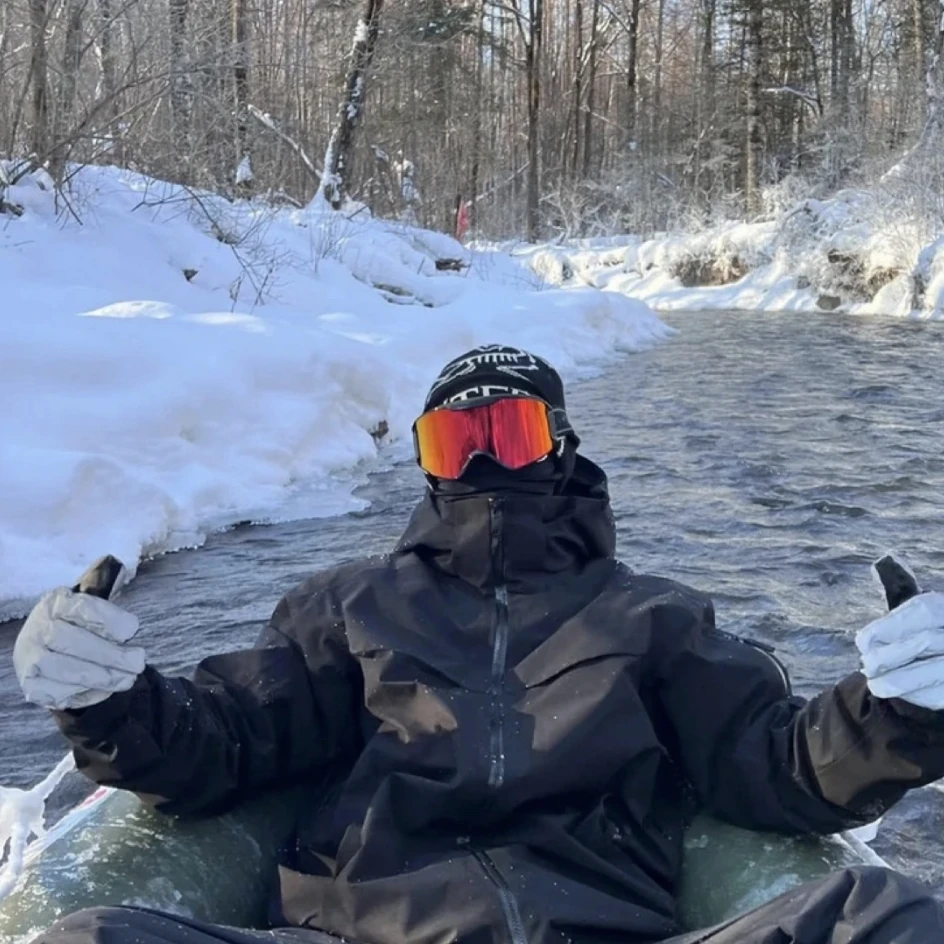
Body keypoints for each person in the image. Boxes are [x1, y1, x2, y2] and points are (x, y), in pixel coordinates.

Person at [14, 344, 944, 944]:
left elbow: (775, 763)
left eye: (511, 432)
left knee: (888, 913)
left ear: (562, 446)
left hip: (603, 930)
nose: (487, 463)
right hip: (362, 933)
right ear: (426, 460)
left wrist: (901, 711)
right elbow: (220, 740)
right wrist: (106, 700)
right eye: (457, 442)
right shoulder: (346, 606)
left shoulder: (656, 616)